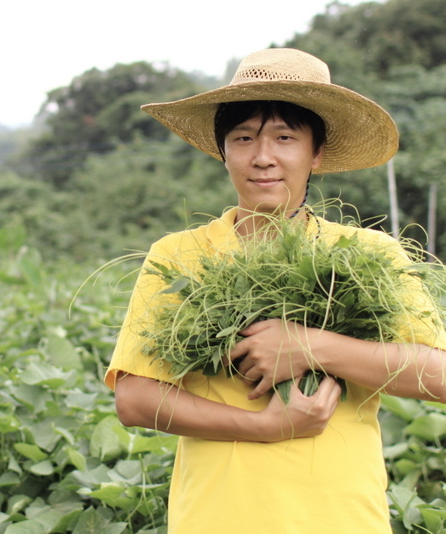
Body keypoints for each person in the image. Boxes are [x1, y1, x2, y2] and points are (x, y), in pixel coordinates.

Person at [105, 48, 446, 533]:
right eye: (243, 138)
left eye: (285, 137)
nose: (262, 157)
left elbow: (438, 376)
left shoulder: (366, 256)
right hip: (215, 519)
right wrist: (267, 426)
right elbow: (135, 398)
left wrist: (308, 345)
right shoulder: (180, 257)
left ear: (317, 153)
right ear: (223, 151)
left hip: (342, 519)